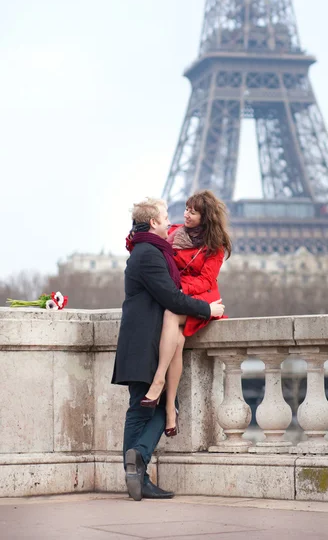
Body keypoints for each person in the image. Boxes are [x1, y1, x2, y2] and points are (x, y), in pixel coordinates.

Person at [111, 198, 225, 502]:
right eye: (164, 217)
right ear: (153, 223)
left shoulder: (147, 249)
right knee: (155, 408)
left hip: (143, 341)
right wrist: (208, 308)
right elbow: (172, 299)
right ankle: (140, 462)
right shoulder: (149, 254)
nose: (169, 220)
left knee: (141, 409)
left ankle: (136, 474)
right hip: (145, 342)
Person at [140, 190, 232, 436]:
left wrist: (178, 288)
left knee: (171, 313)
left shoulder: (216, 246)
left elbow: (206, 280)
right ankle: (170, 410)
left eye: (193, 211)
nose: (186, 214)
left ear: (206, 217)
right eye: (187, 209)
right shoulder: (174, 233)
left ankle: (158, 380)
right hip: (179, 295)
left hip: (201, 298)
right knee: (178, 342)